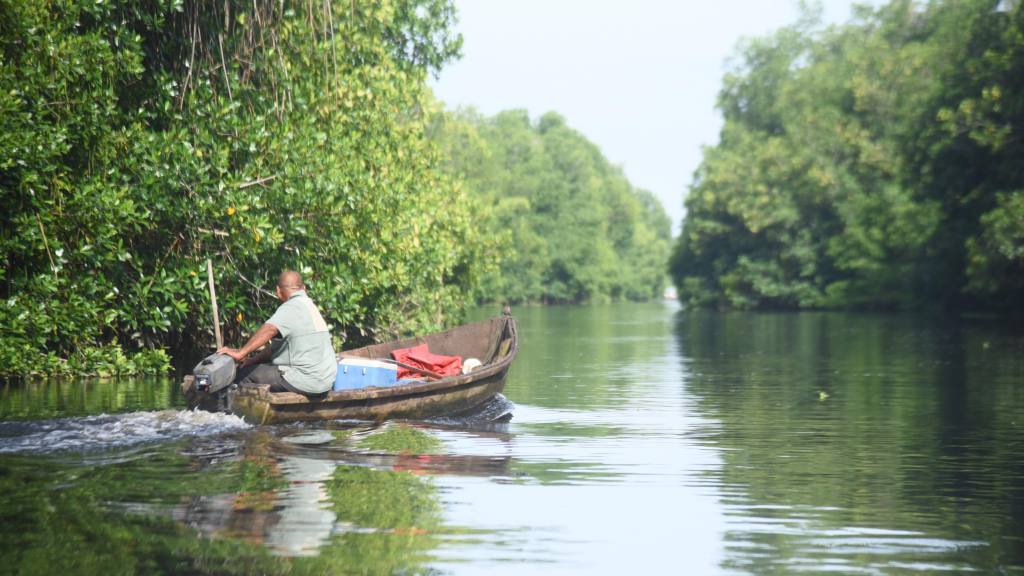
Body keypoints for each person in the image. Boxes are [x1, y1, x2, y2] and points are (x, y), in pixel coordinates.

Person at [217, 270, 337, 396]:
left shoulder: (291, 307)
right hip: (326, 381)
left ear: (278, 291)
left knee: (243, 374)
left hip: (306, 380)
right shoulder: (310, 306)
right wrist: (253, 360)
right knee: (258, 368)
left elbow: (270, 329)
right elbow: (276, 348)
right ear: (304, 288)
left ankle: (230, 413)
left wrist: (240, 353)